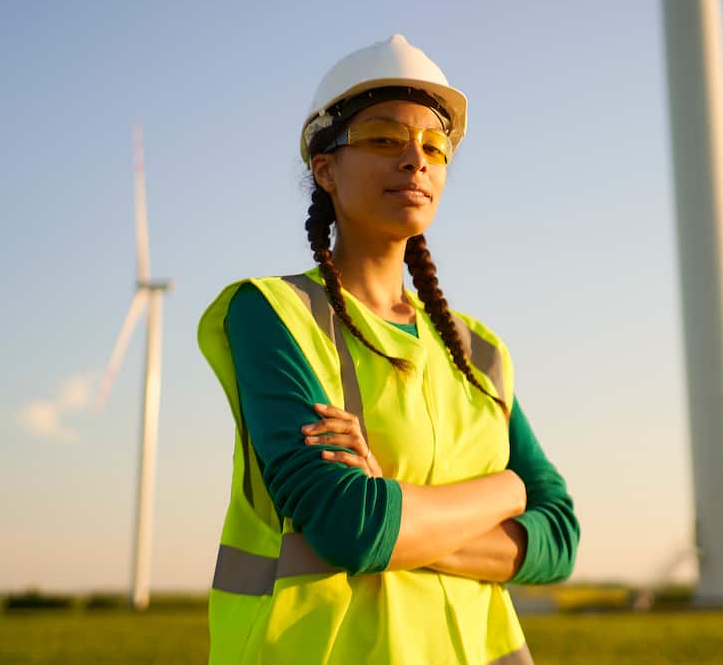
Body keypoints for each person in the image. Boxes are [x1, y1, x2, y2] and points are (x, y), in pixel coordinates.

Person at [196, 34, 580, 664]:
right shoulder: (272, 315)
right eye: (382, 138)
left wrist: (398, 515)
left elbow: (559, 537)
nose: (415, 160)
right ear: (325, 168)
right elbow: (347, 524)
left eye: (434, 146)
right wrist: (507, 492)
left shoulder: (477, 350)